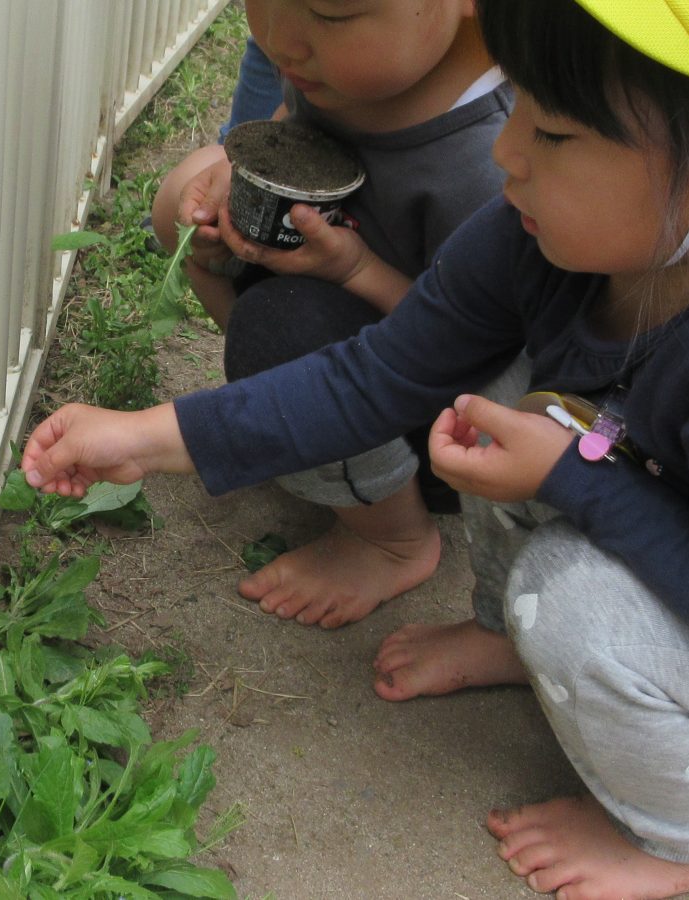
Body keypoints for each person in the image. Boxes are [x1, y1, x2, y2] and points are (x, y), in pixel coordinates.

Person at [25, 0, 689, 896]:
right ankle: (518, 632)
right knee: (501, 407)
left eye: (553, 132)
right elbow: (380, 374)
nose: (506, 153)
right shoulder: (548, 235)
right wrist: (153, 440)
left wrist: (571, 473)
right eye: (517, 106)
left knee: (573, 589)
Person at [150, 0, 512, 629]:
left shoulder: (492, 162)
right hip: (335, 295)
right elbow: (289, 126)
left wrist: (354, 270)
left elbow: (481, 359)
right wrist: (221, 200)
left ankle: (392, 539)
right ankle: (288, 411)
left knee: (281, 331)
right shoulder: (340, 65)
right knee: (180, 194)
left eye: (331, 14)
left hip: (443, 425)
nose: (281, 40)